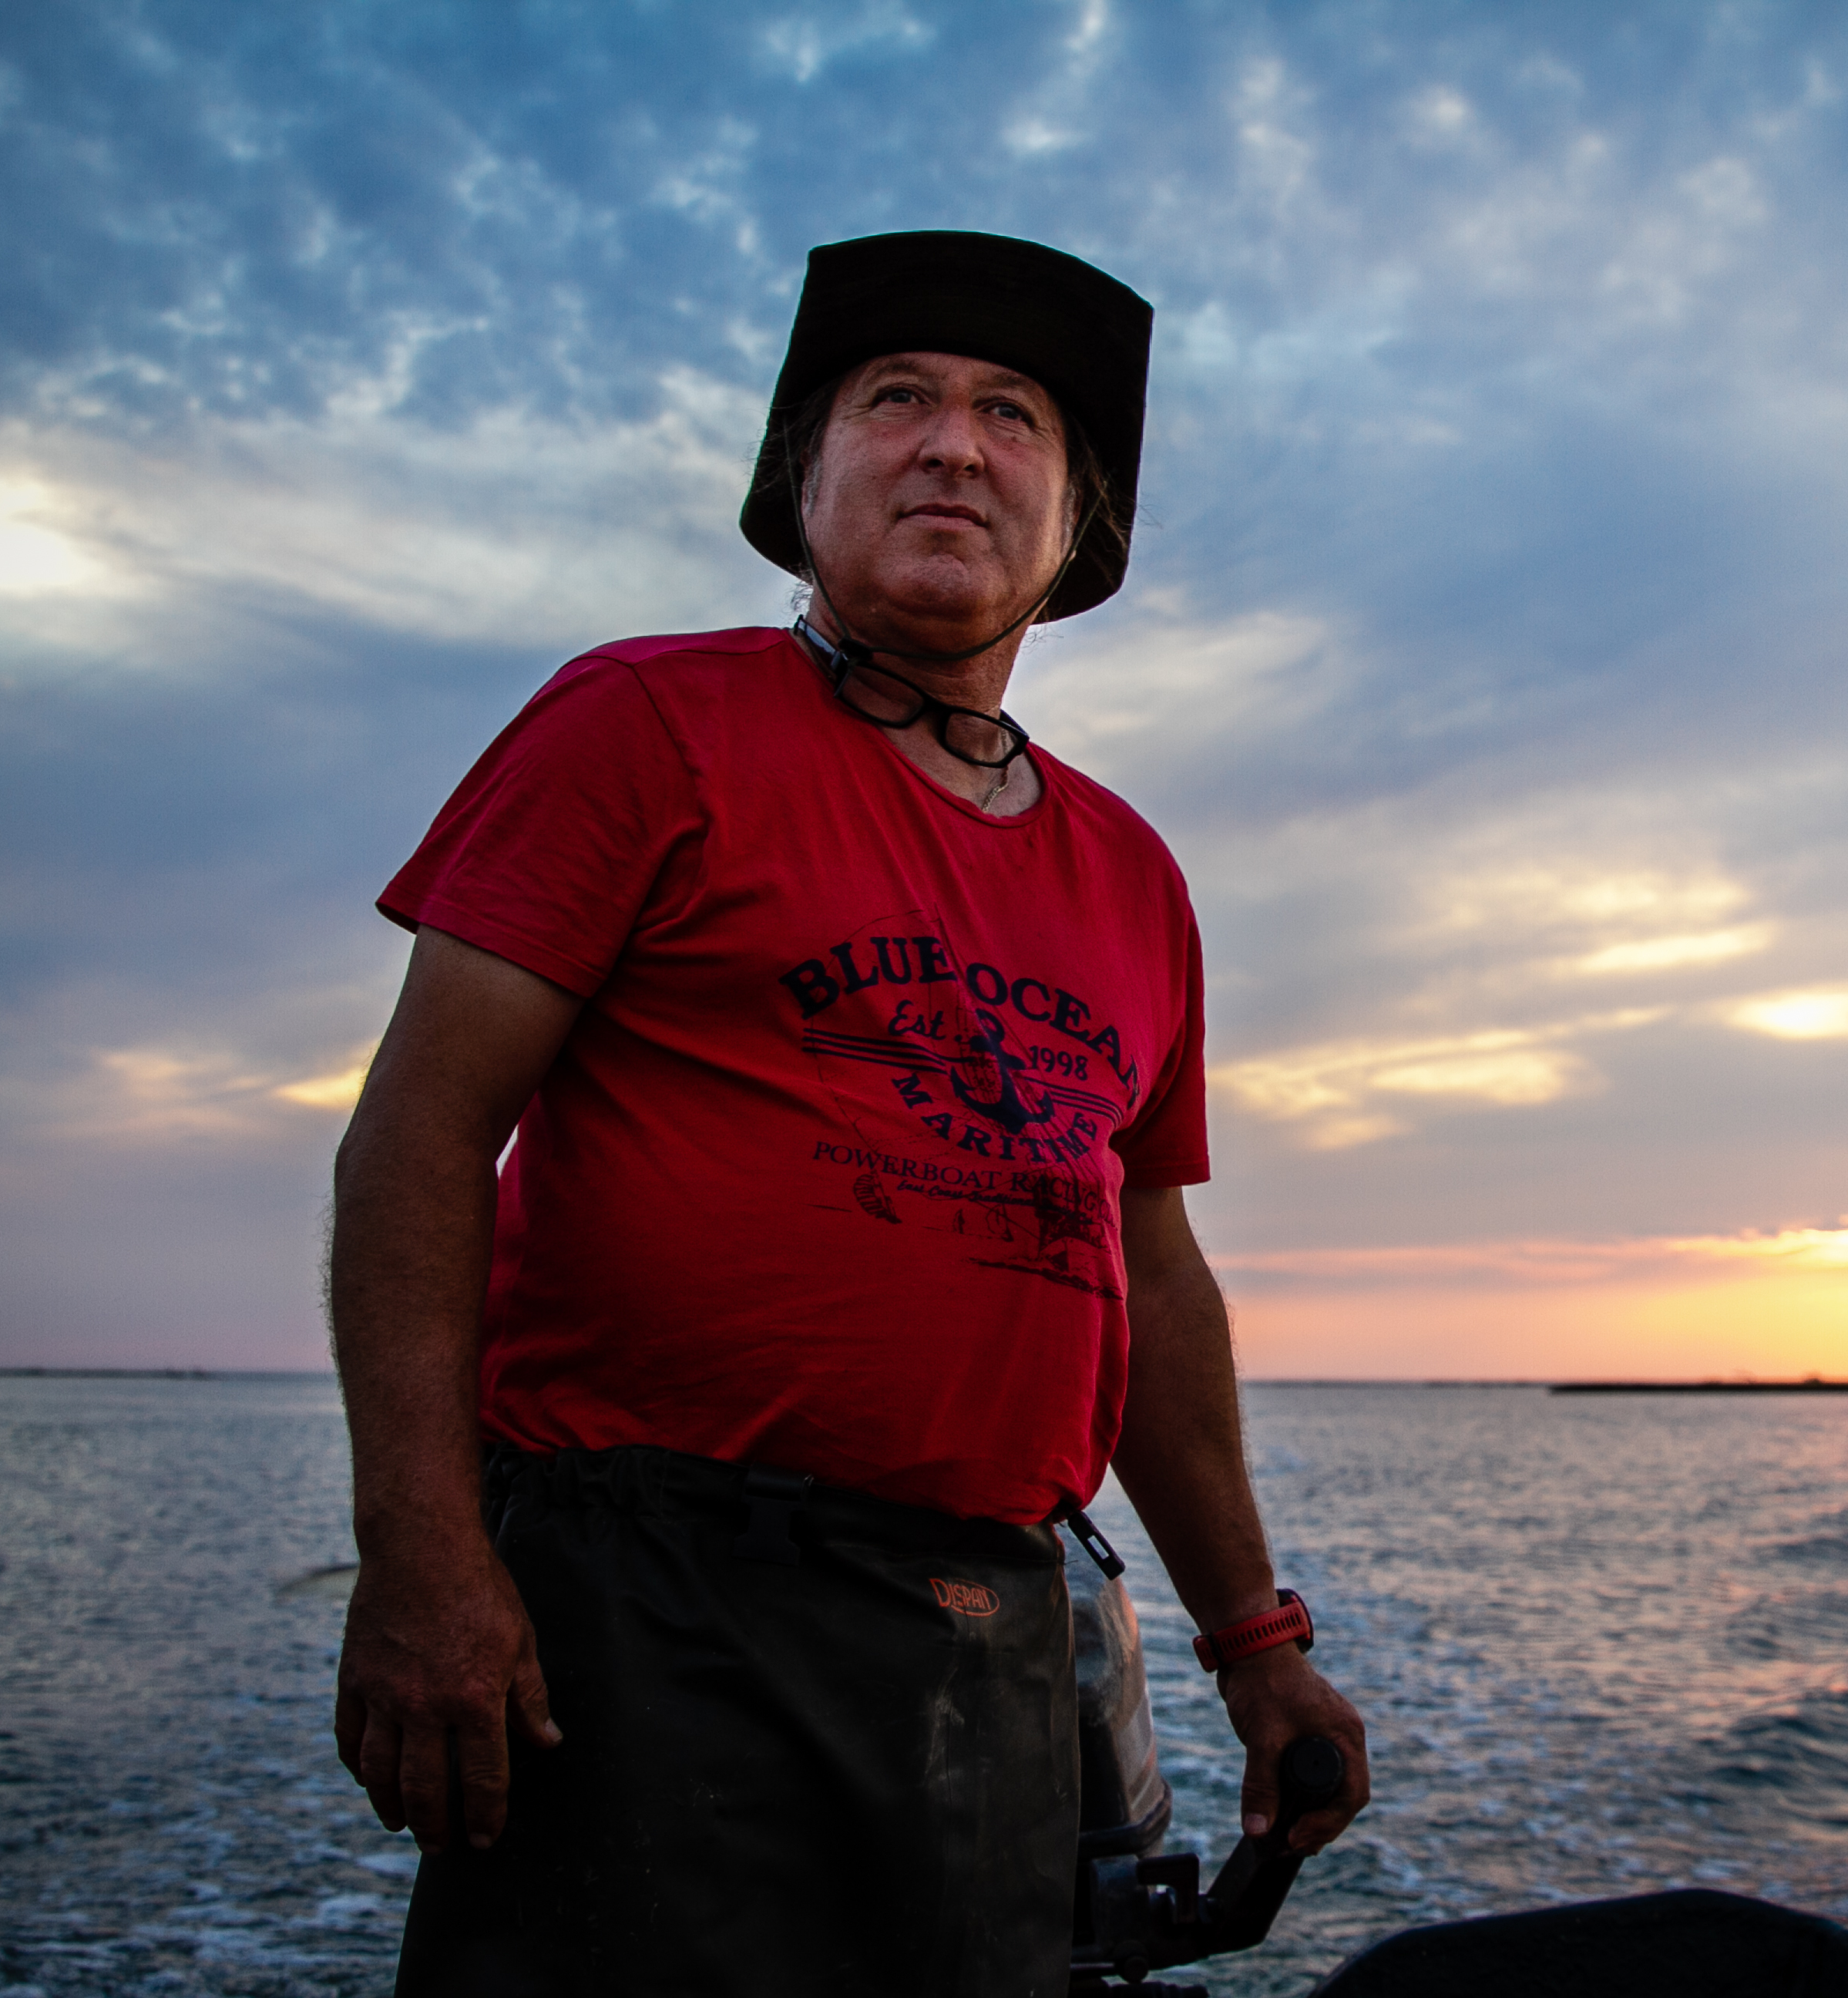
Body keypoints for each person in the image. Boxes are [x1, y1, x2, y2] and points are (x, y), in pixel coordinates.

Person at [325, 230, 1369, 1998]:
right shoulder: (644, 722)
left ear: (1073, 532)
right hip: (651, 1605)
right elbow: (420, 1135)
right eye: (897, 402)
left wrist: (1256, 1644)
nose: (955, 444)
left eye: (1013, 417)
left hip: (994, 1639)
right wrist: (424, 1560)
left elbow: (1155, 1281)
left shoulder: (1133, 873)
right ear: (805, 491)